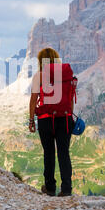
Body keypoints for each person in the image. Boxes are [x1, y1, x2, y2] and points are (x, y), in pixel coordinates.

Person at [29, 48, 74, 197]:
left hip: (46, 120)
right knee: (63, 153)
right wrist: (70, 116)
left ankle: (50, 188)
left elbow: (33, 99)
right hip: (65, 118)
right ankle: (66, 189)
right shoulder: (65, 75)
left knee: (48, 153)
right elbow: (70, 97)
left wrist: (31, 120)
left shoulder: (39, 76)